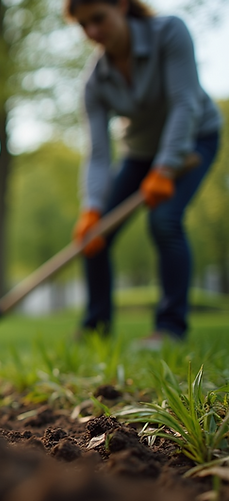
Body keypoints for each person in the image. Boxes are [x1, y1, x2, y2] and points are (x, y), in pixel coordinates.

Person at [67, 0, 221, 347]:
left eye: (98, 19)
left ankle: (170, 329)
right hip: (139, 154)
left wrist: (166, 168)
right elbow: (98, 152)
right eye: (83, 25)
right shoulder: (95, 81)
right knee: (96, 236)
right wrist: (91, 206)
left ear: (120, 6)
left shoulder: (170, 32)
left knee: (164, 220)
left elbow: (185, 102)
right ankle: (96, 329)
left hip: (196, 137)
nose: (92, 32)